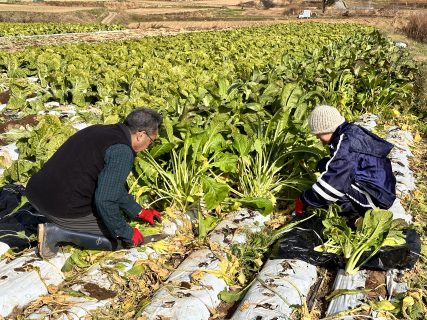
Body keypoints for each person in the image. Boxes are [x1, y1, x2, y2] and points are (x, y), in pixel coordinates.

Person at [26, 107, 163, 259]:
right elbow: (105, 200)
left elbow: (112, 186)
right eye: (151, 141)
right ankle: (57, 233)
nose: (147, 147)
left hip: (36, 193)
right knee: (116, 237)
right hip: (60, 207)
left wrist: (139, 211)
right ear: (140, 135)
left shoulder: (98, 130)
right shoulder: (122, 151)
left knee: (111, 219)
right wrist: (125, 232)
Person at [294, 105, 396, 222]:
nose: (317, 137)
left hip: (375, 200)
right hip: (381, 191)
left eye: (318, 133)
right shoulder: (350, 131)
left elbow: (333, 184)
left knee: (336, 186)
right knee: (327, 166)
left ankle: (354, 219)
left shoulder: (346, 142)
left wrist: (304, 199)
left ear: (326, 128)